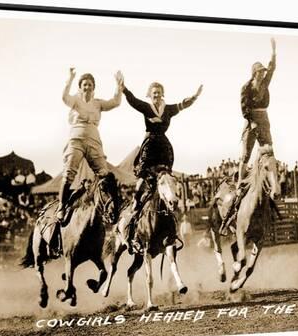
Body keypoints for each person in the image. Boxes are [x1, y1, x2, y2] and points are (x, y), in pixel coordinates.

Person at [121, 77, 202, 251]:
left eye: (159, 93)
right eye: (154, 93)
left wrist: (194, 97)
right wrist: (123, 88)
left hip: (163, 145)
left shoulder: (168, 109)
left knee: (168, 176)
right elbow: (133, 101)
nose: (156, 96)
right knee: (143, 177)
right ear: (150, 95)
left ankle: (170, 215)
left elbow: (182, 104)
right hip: (150, 144)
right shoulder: (146, 107)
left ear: (162, 94)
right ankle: (136, 201)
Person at [219, 37, 279, 235]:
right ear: (255, 73)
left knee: (269, 151)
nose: (263, 75)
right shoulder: (246, 87)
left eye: (264, 72)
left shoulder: (265, 83)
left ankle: (269, 181)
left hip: (264, 117)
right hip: (251, 118)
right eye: (260, 72)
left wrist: (273, 51)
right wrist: (251, 122)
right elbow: (244, 107)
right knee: (245, 154)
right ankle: (239, 183)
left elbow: (273, 68)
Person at [55, 68, 123, 220]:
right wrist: (70, 79)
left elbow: (115, 102)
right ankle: (62, 206)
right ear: (80, 87)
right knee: (69, 173)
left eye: (90, 85)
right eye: (84, 84)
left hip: (93, 140)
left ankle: (113, 207)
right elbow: (64, 97)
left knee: (105, 174)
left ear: (94, 87)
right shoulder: (75, 100)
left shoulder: (97, 103)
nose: (87, 87)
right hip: (76, 139)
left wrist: (119, 86)